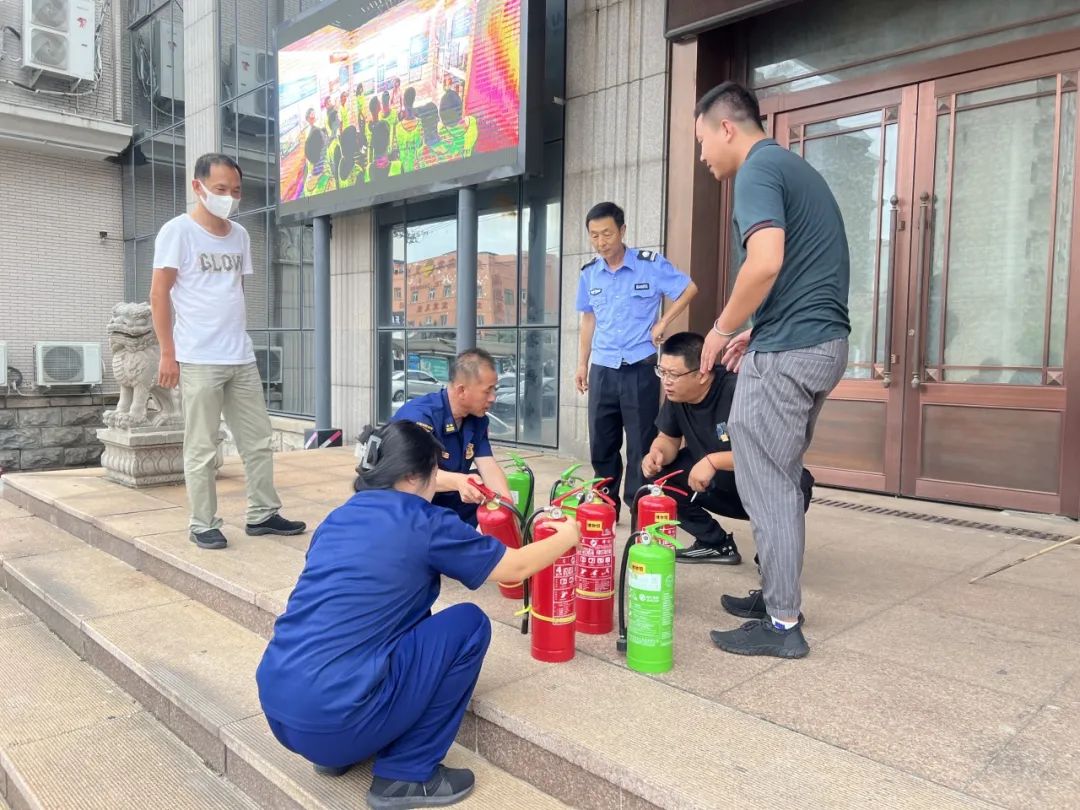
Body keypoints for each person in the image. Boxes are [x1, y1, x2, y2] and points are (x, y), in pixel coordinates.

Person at [256, 421, 580, 808]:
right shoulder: (425, 522)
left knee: (396, 616)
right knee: (468, 625)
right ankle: (405, 774)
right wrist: (567, 536)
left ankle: (337, 753)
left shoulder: (338, 518)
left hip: (280, 708)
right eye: (434, 472)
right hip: (338, 720)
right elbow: (515, 568)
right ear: (412, 475)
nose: (436, 481)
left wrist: (455, 482)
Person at [694, 82, 850, 659]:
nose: (703, 156)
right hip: (815, 342)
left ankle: (783, 624)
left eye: (702, 141)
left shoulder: (757, 170)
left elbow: (764, 264)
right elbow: (802, 269)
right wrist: (758, 329)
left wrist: (722, 328)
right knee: (776, 477)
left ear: (726, 127)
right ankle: (778, 599)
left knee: (769, 486)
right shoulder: (791, 167)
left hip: (791, 352)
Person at [150, 153, 307, 550]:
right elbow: (159, 294)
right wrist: (168, 353)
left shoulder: (240, 235)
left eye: (235, 190)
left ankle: (263, 514)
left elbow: (235, 290)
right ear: (198, 187)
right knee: (202, 447)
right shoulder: (177, 232)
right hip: (199, 357)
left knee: (258, 441)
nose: (229, 197)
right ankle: (203, 523)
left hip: (240, 356)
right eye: (220, 189)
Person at [641, 332, 814, 569]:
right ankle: (715, 543)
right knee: (661, 479)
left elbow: (770, 452)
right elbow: (667, 439)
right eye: (662, 372)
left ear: (702, 373)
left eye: (673, 374)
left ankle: (774, 556)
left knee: (795, 486)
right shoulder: (677, 394)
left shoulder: (740, 390)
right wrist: (656, 453)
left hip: (762, 488)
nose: (666, 381)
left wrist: (713, 461)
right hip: (714, 485)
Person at [575, 201, 698, 522]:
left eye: (607, 234)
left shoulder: (650, 265)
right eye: (594, 235)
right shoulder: (589, 274)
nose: (601, 242)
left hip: (640, 368)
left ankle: (638, 505)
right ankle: (605, 505)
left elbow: (688, 289)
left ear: (622, 231)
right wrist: (582, 364)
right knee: (602, 442)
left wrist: (664, 321)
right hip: (603, 368)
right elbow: (588, 319)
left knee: (640, 444)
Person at [391, 349, 511, 526]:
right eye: (487, 391)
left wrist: (507, 507)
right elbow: (411, 476)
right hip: (407, 507)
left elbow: (488, 466)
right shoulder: (419, 417)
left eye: (495, 389)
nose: (493, 398)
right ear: (462, 390)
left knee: (481, 494)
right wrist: (458, 481)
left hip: (445, 500)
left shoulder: (477, 420)